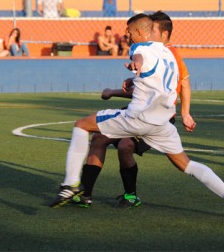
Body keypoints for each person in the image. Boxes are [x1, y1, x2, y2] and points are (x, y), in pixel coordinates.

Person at [50, 13, 224, 221]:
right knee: (186, 165)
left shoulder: (140, 47)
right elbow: (161, 81)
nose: (126, 36)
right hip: (162, 124)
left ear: (138, 32)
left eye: (128, 32)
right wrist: (135, 77)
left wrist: (136, 62)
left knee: (82, 125)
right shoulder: (168, 54)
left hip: (137, 118)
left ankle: (70, 185)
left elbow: (139, 57)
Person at [75, 11, 196, 208]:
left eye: (153, 29)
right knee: (99, 137)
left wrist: (185, 112)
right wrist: (127, 85)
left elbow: (184, 83)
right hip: (139, 110)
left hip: (157, 117)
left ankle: (131, 195)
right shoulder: (152, 51)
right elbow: (146, 89)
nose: (149, 33)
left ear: (163, 34)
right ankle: (84, 194)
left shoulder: (169, 54)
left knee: (125, 146)